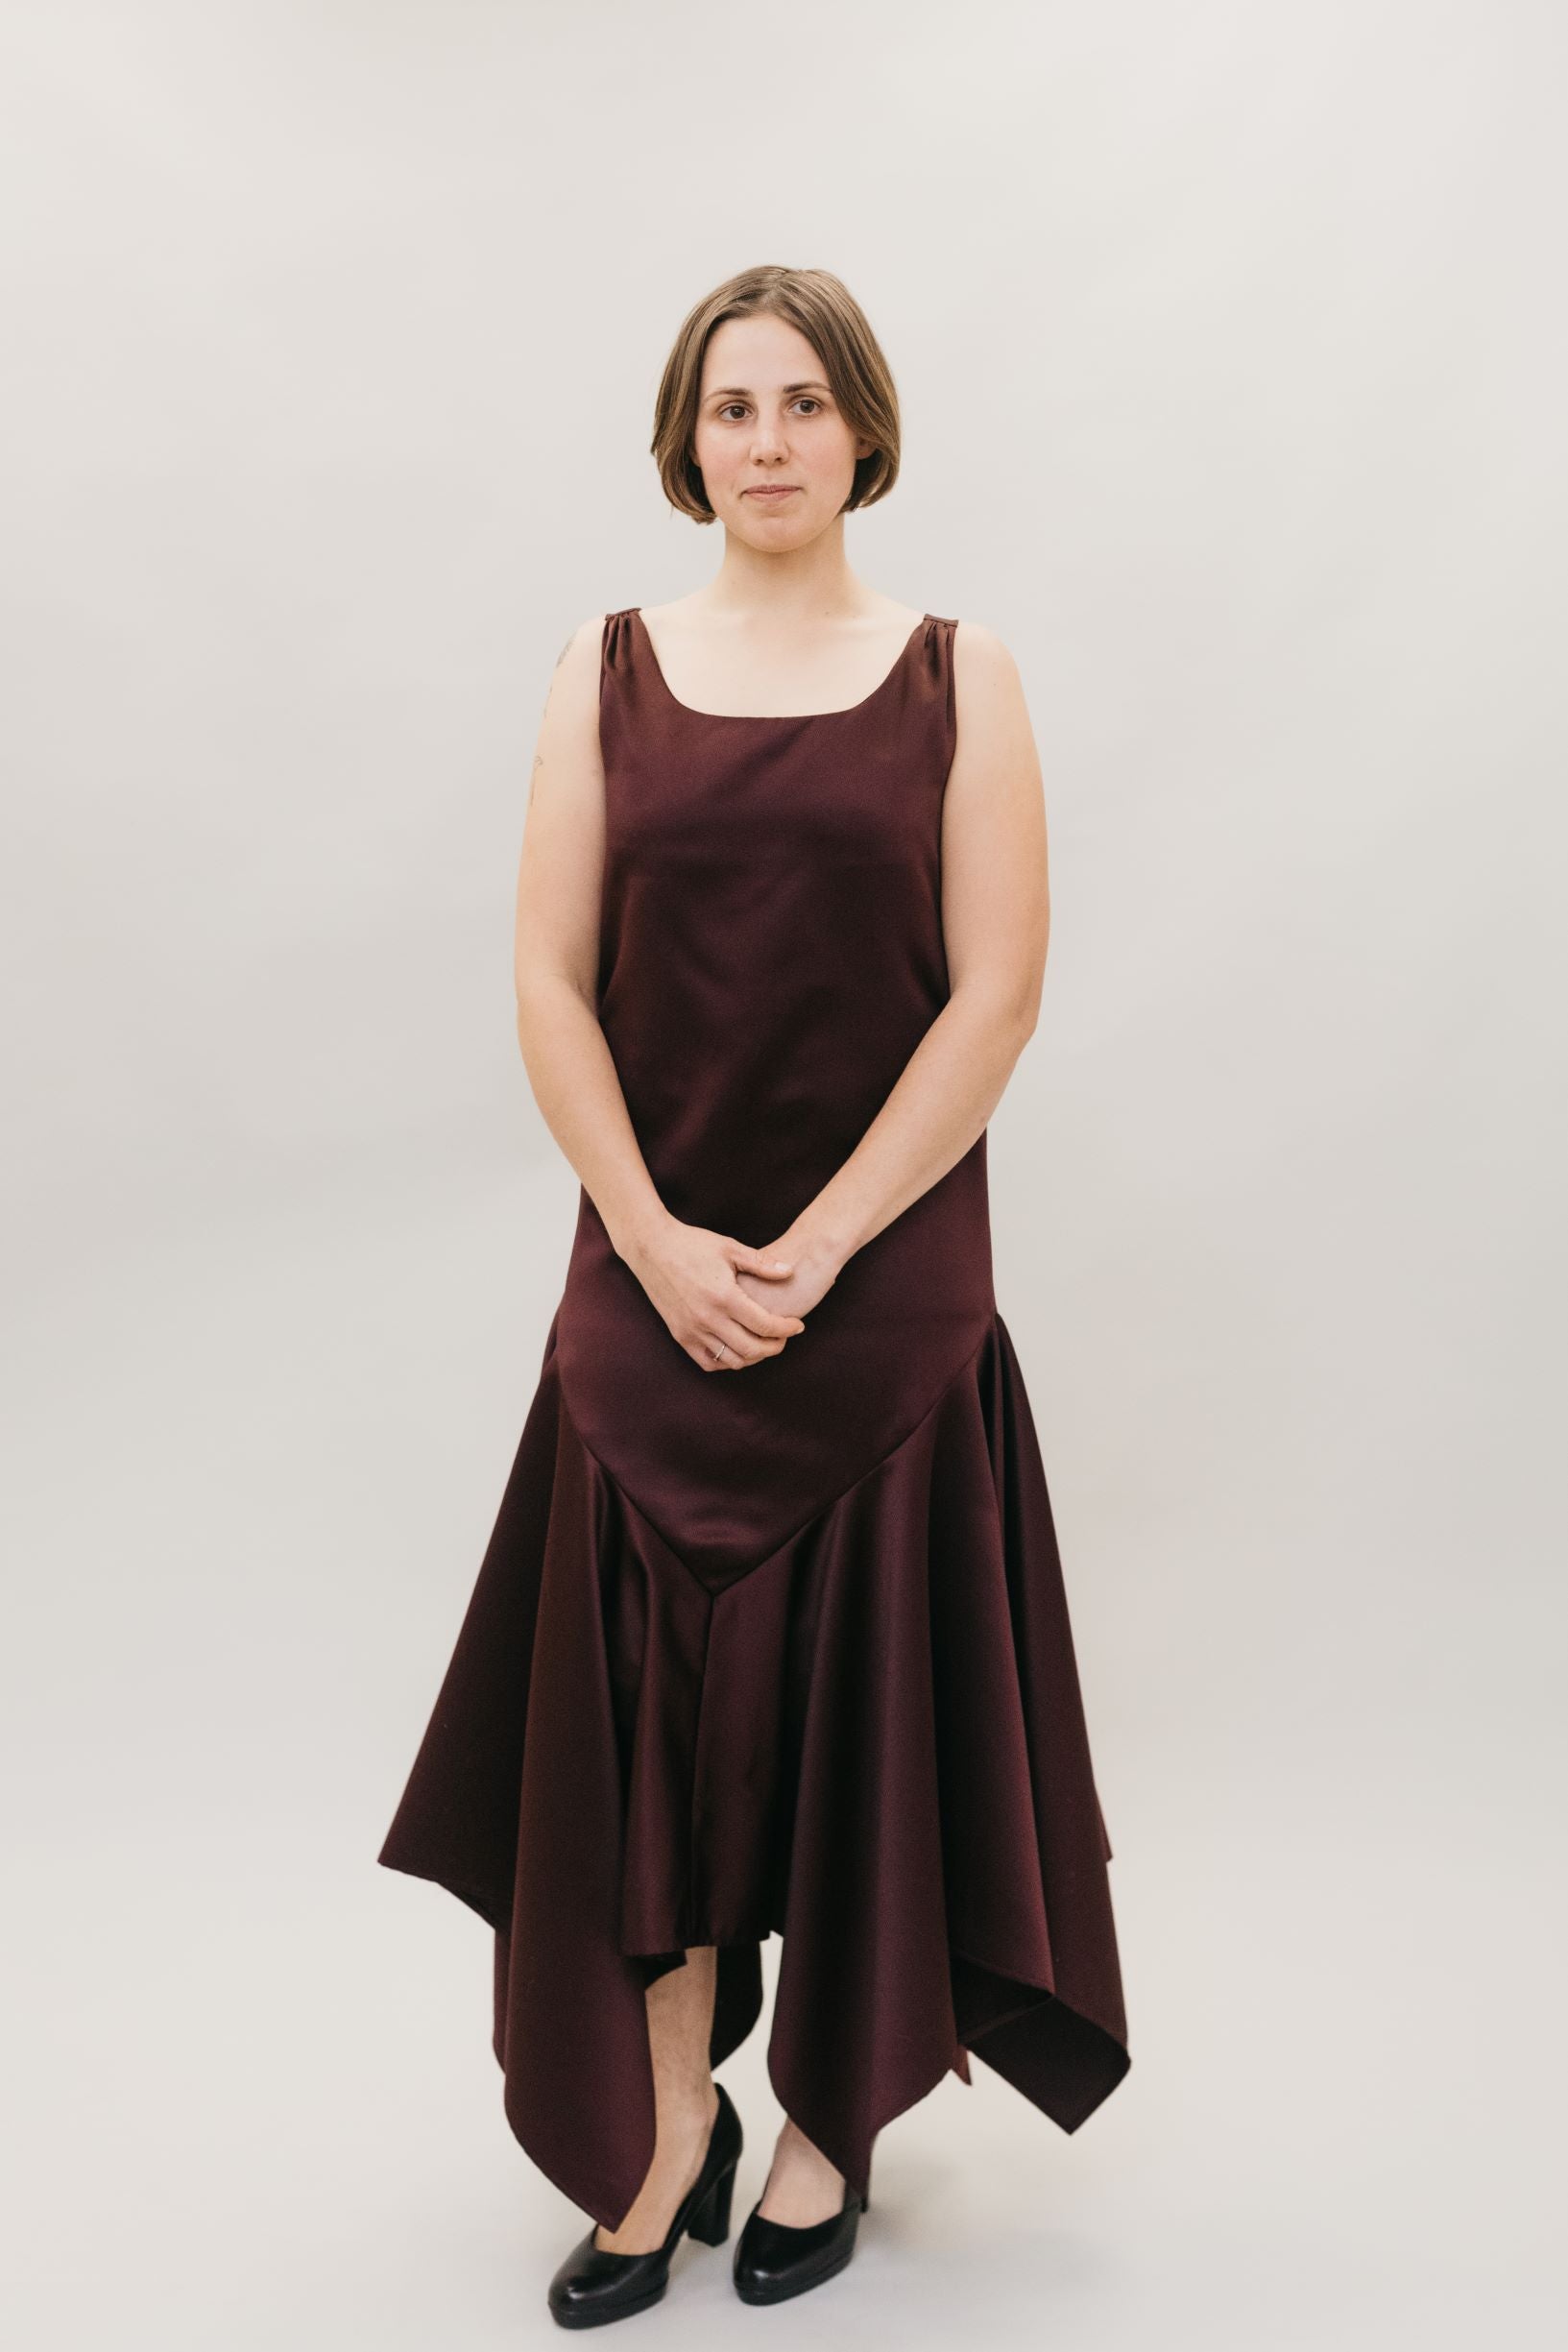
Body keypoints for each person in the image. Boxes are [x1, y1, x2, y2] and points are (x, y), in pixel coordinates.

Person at [377, 263, 1130, 2326]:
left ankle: (823, 2127)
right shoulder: (600, 667)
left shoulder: (962, 675)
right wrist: (648, 1234)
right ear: (685, 439)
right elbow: (546, 976)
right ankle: (662, 2134)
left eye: (805, 403)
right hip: (653, 1277)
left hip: (880, 1306)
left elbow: (998, 994)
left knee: (852, 1728)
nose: (770, 441)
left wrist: (828, 1242)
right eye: (733, 409)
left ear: (864, 430)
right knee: (643, 1740)